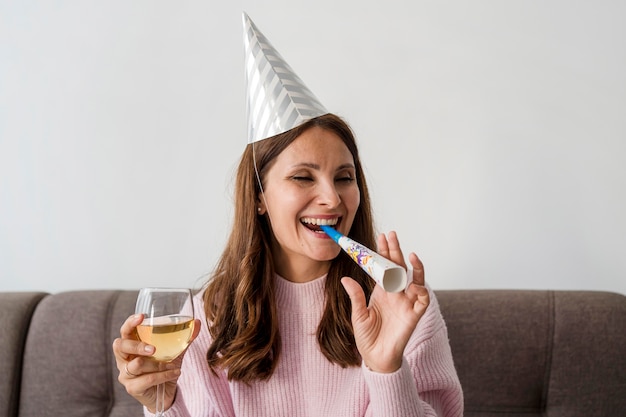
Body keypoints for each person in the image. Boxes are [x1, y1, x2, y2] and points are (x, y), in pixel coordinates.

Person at [113, 14, 463, 417]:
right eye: (302, 177)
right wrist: (162, 404)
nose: (332, 198)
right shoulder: (203, 317)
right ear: (259, 196)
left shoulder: (403, 306)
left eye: (344, 177)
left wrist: (387, 369)